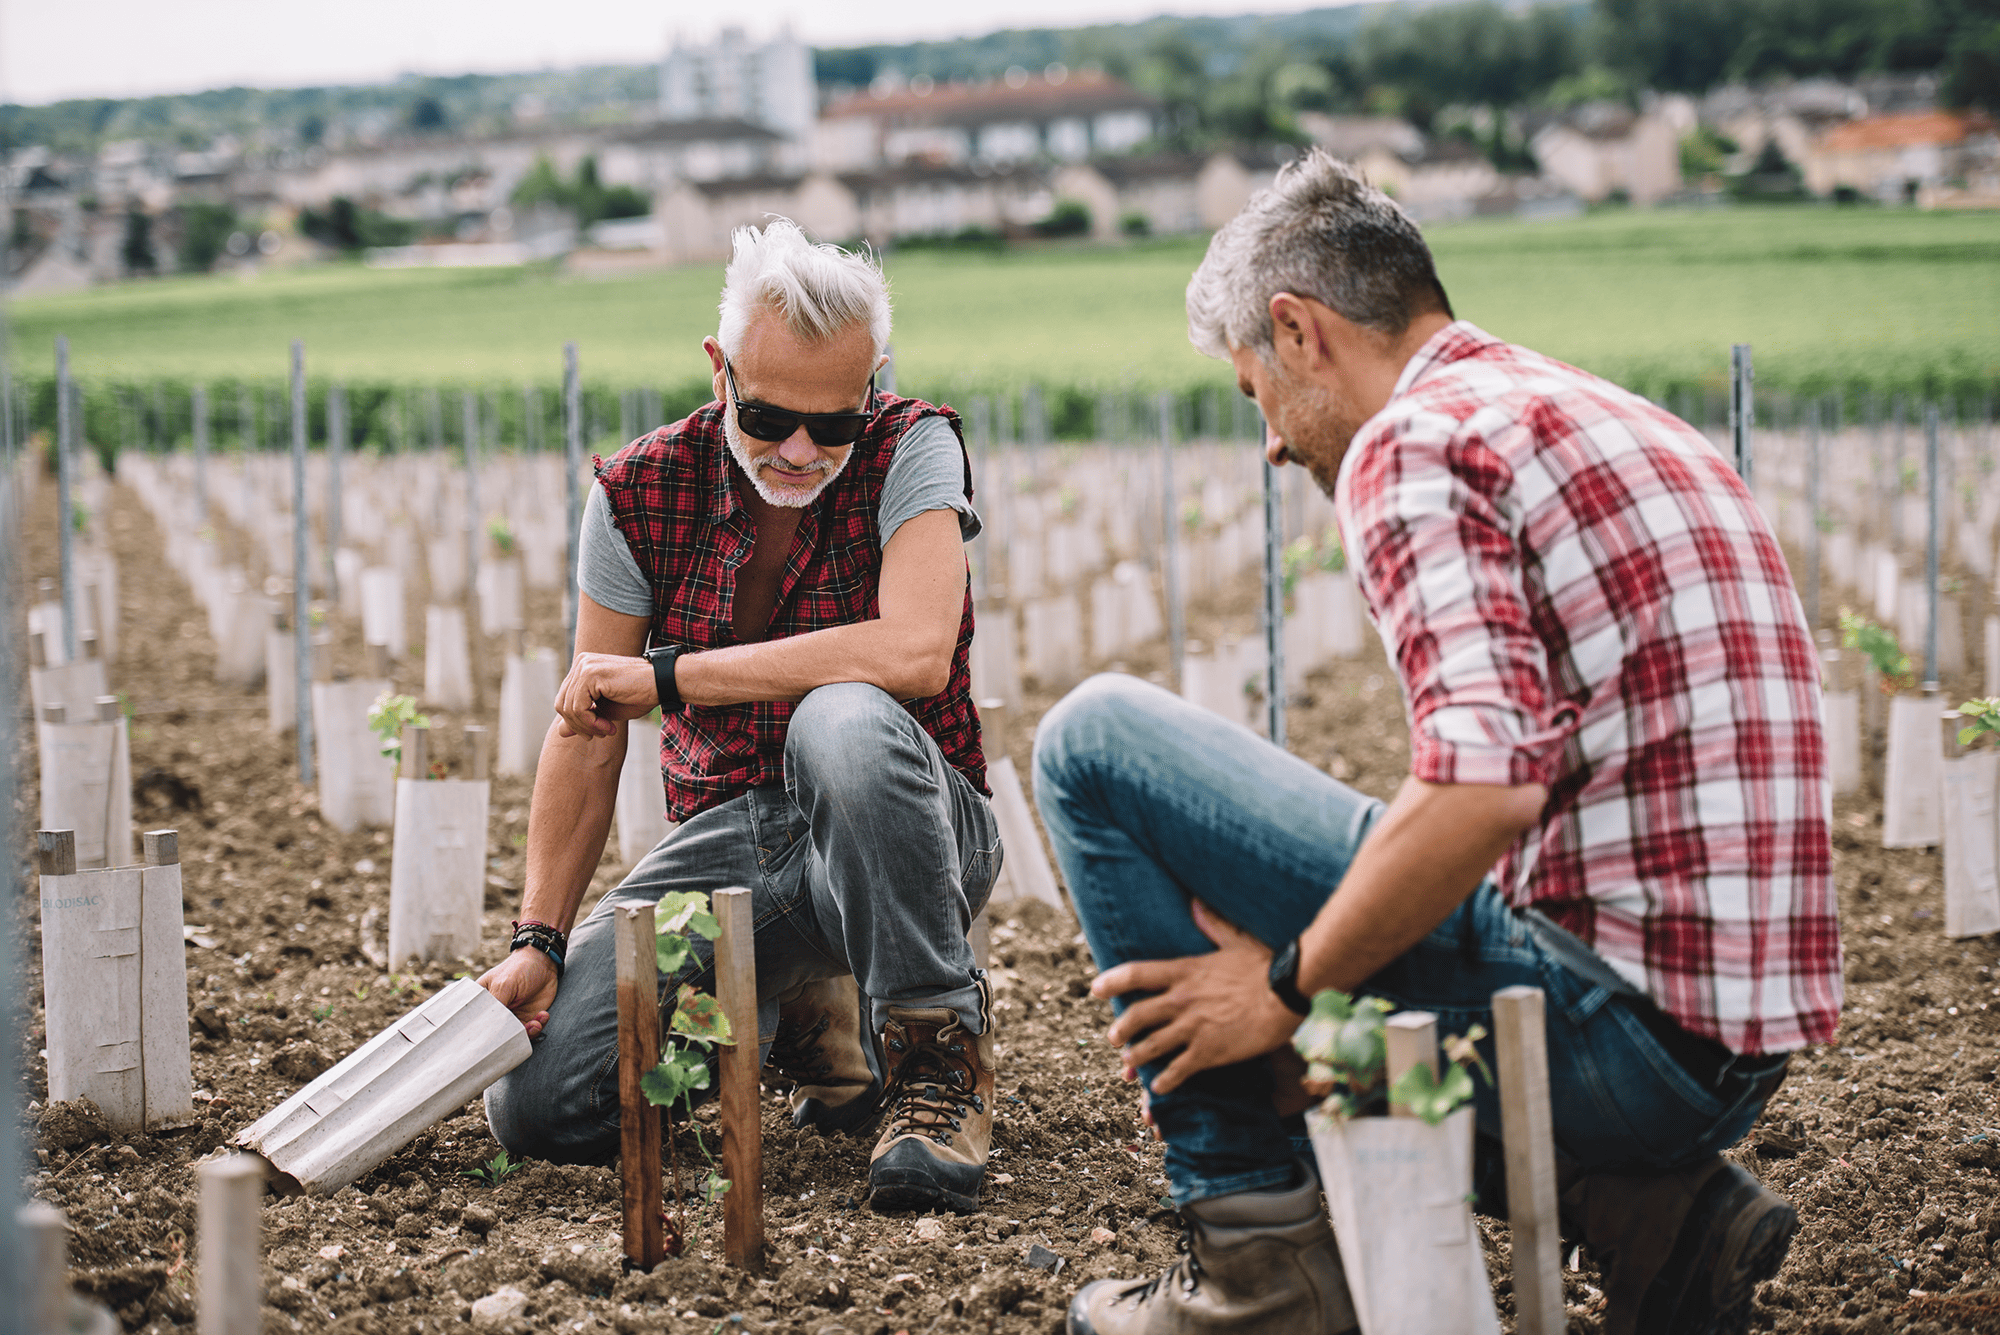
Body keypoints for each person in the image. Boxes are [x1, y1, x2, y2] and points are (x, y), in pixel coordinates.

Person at [1034, 149, 1841, 1335]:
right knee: (1348, 912)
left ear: (1298, 331)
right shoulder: (1594, 409)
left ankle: (1254, 1266)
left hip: (1612, 1038)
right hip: (1724, 1050)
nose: (1269, 444)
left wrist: (1280, 986)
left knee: (1089, 741)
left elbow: (1478, 793)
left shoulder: (1411, 443)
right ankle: (1648, 1212)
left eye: (1254, 393)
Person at [479, 218, 1002, 1216]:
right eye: (767, 418)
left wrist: (674, 677)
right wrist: (537, 941)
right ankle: (804, 1005)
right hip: (738, 848)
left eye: (833, 423)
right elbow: (588, 719)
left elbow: (912, 650)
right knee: (538, 1108)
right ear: (719, 371)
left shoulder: (914, 447)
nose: (800, 450)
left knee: (840, 719)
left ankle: (936, 1061)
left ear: (872, 386)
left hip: (914, 828)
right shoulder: (638, 491)